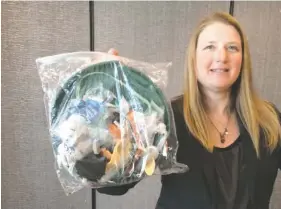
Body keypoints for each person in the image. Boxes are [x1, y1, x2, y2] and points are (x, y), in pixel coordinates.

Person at [97, 12, 281, 209]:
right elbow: (113, 187)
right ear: (194, 58)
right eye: (210, 47)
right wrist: (108, 98)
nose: (221, 56)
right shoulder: (166, 119)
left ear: (243, 60)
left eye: (232, 48)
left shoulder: (268, 120)